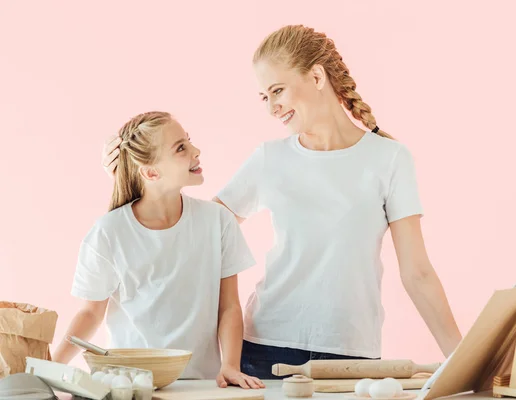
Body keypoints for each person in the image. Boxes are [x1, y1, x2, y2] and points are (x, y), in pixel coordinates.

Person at [101, 25, 463, 379]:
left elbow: (417, 273)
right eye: (264, 97)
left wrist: (463, 362)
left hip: (352, 354)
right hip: (265, 348)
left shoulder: (389, 159)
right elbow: (201, 229)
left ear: (317, 77)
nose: (272, 107)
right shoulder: (269, 159)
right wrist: (135, 176)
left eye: (277, 90)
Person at [54, 111, 264, 389]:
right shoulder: (109, 232)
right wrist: (52, 367)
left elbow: (229, 308)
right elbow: (91, 314)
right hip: (128, 385)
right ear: (151, 172)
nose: (196, 151)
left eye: (188, 141)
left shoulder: (217, 221)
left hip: (197, 386)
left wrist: (230, 366)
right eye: (181, 148)